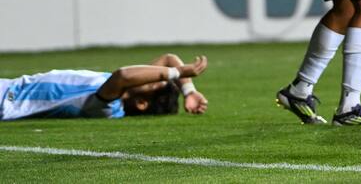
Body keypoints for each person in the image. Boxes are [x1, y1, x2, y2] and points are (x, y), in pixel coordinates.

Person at [0, 53, 208, 120]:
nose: (151, 76)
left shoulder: (109, 106)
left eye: (153, 83)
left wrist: (177, 73)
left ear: (142, 103)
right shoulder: (123, 91)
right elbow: (169, 58)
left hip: (6, 102)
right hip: (9, 87)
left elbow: (123, 75)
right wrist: (189, 91)